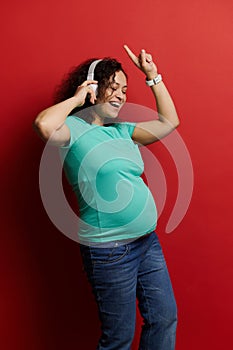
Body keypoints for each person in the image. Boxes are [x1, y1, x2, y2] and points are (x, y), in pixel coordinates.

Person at [34, 44, 180, 350]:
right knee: (118, 339)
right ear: (92, 88)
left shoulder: (122, 131)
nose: (121, 95)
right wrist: (76, 99)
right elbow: (43, 125)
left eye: (124, 90)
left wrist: (152, 76)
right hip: (110, 251)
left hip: (147, 242)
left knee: (164, 319)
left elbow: (169, 123)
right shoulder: (71, 130)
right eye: (112, 87)